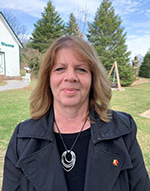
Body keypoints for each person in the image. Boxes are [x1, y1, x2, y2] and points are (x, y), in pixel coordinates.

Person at [2, 36, 150, 191]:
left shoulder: (123, 130)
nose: (71, 77)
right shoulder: (22, 138)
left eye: (81, 69)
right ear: (48, 78)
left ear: (93, 78)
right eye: (60, 69)